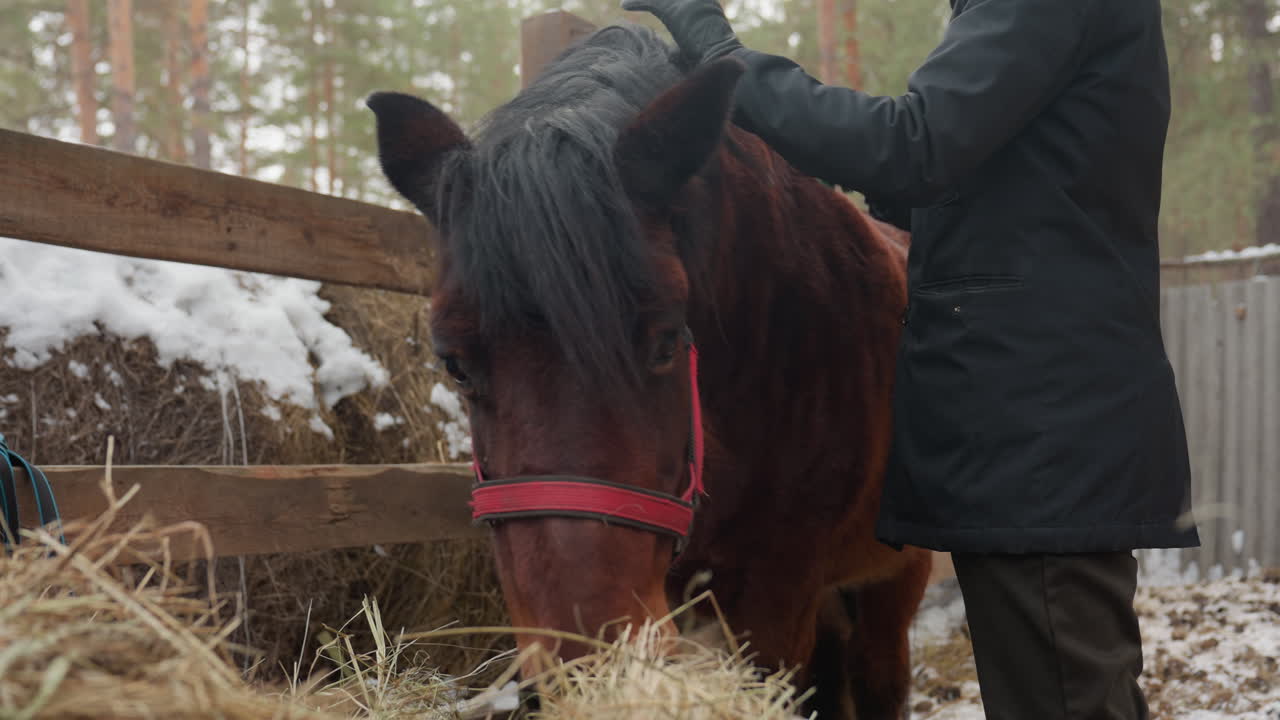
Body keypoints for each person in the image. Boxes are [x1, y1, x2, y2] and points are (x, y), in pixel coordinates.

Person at [620, 0, 1200, 717]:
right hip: (1035, 429)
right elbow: (942, 172)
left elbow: (910, 145)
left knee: (1064, 700)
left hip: (1041, 435)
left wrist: (718, 53)